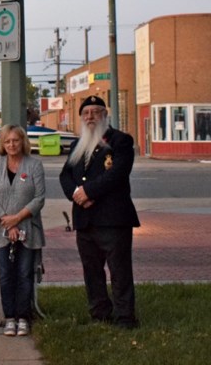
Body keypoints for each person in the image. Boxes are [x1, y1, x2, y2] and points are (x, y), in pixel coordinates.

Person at [58, 95, 140, 329]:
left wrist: (88, 192)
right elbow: (66, 175)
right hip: (85, 220)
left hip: (113, 219)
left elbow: (117, 174)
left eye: (95, 112)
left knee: (119, 271)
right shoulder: (77, 144)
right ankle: (100, 313)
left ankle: (125, 317)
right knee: (91, 270)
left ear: (105, 114)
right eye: (86, 113)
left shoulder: (120, 141)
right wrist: (76, 194)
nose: (90, 116)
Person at [0, 125, 45, 338]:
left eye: (15, 141)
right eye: (7, 141)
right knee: (5, 276)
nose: (11, 145)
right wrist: (7, 223)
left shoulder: (35, 165)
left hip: (28, 227)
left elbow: (40, 198)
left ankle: (23, 317)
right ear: (2, 144)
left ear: (23, 142)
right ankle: (10, 317)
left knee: (24, 274)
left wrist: (18, 219)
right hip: (2, 230)